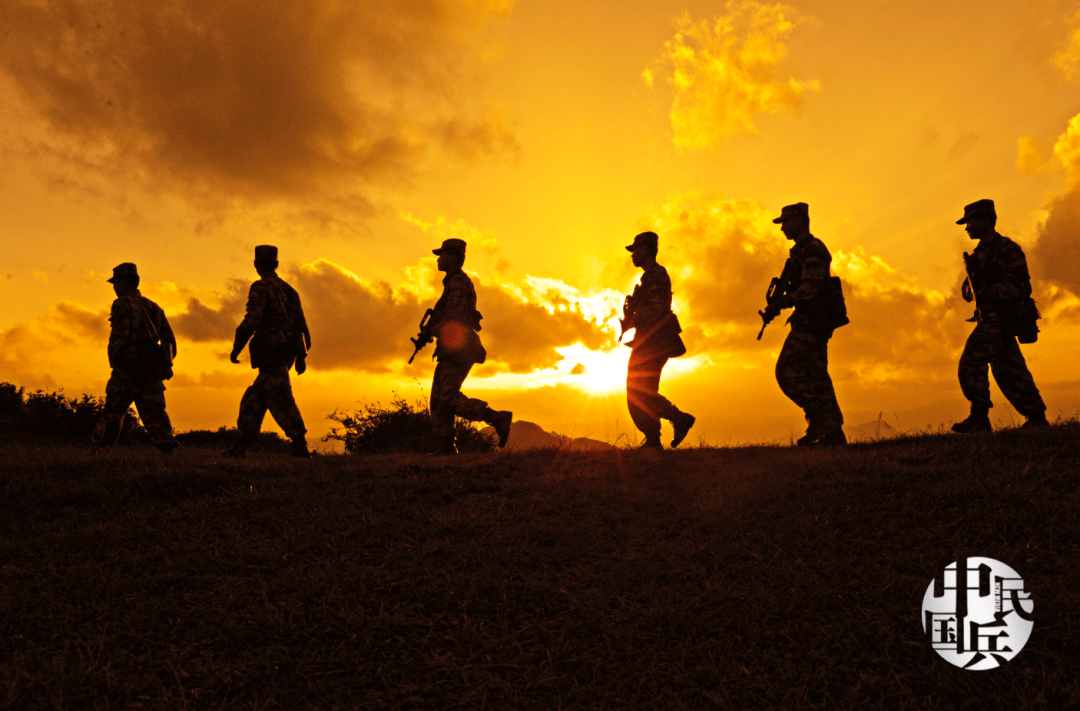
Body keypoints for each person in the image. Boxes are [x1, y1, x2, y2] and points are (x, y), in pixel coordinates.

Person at [952, 199, 1048, 432]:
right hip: (991, 318)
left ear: (985, 220)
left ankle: (979, 417)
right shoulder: (979, 254)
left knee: (971, 360)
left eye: (970, 221)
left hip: (1002, 318)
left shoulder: (1007, 248)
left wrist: (988, 292)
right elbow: (970, 290)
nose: (967, 227)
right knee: (1009, 369)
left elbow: (1020, 285)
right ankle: (1036, 418)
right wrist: (971, 289)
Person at [762, 203, 847, 446]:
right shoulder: (799, 251)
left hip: (813, 320)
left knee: (786, 370)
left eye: (786, 222)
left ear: (800, 220)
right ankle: (835, 437)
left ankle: (819, 418)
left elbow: (812, 286)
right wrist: (777, 305)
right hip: (810, 319)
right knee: (818, 378)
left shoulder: (813, 249)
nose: (783, 228)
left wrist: (784, 303)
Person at [422, 238, 512, 455]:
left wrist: (433, 330)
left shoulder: (458, 282)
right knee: (438, 400)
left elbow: (456, 318)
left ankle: (495, 417)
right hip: (451, 347)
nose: (438, 259)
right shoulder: (452, 282)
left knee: (448, 397)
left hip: (458, 347)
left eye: (442, 254)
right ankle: (445, 447)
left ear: (452, 257)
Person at [226, 245, 312, 458]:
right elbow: (302, 326)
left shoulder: (260, 287)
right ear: (276, 264)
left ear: (256, 265)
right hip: (286, 352)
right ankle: (239, 449)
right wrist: (300, 356)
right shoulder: (289, 290)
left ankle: (300, 448)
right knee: (255, 399)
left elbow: (252, 320)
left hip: (272, 352)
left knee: (280, 398)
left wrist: (237, 347)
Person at [93, 263, 179, 452]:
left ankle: (99, 451)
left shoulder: (121, 304)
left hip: (127, 371)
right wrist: (164, 365)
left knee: (111, 413)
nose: (114, 287)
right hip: (151, 372)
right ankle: (168, 452)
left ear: (124, 282)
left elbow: (119, 337)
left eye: (116, 282)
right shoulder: (154, 307)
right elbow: (170, 341)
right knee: (155, 414)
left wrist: (116, 365)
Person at [621, 231, 695, 450]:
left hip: (654, 340)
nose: (632, 255)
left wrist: (635, 319)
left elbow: (657, 307)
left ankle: (676, 420)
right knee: (642, 390)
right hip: (648, 340)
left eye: (635, 250)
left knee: (637, 390)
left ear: (646, 249)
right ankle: (655, 438)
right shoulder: (648, 277)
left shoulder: (657, 275)